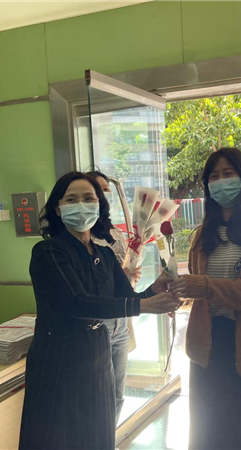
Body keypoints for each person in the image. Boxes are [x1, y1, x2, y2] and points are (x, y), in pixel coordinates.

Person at [19, 171, 180, 450]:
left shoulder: (104, 253)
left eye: (88, 198)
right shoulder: (49, 252)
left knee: (97, 434)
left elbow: (128, 298)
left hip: (97, 355)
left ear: (99, 205)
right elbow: (75, 303)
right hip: (59, 359)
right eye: (71, 199)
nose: (81, 204)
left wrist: (154, 289)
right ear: (58, 208)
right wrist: (143, 305)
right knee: (58, 437)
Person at [170, 148, 241, 450]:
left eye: (228, 174)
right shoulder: (203, 234)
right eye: (214, 176)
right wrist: (176, 292)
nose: (221, 182)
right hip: (208, 345)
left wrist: (203, 286)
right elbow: (199, 290)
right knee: (207, 434)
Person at [87, 170, 139, 424]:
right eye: (97, 190)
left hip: (121, 322)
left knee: (118, 394)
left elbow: (121, 280)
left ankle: (110, 437)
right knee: (98, 394)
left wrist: (129, 276)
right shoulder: (84, 237)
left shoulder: (115, 234)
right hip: (99, 324)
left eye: (105, 189)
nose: (104, 194)